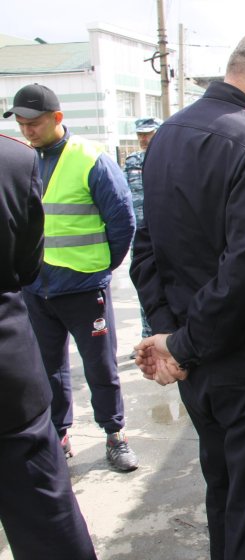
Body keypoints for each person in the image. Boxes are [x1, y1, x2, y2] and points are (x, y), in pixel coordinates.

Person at [130, 30, 245, 559]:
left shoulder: (167, 135)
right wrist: (182, 344)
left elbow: (147, 248)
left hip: (201, 366)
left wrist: (170, 335)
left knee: (227, 496)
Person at [4, 83, 138, 472]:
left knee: (100, 368)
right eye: (21, 123)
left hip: (82, 288)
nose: (27, 130)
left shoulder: (89, 158)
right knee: (48, 369)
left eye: (34, 122)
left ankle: (115, 434)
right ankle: (59, 435)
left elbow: (122, 221)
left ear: (57, 118)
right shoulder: (23, 159)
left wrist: (100, 267)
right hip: (35, 288)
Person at [0, 133, 98, 559]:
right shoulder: (15, 158)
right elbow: (25, 265)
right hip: (8, 382)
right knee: (46, 520)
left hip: (76, 291)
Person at [124, 116, 162, 340]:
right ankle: (147, 335)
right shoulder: (132, 161)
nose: (144, 139)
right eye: (140, 135)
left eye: (148, 134)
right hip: (138, 234)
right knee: (144, 285)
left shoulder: (167, 158)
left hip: (162, 232)